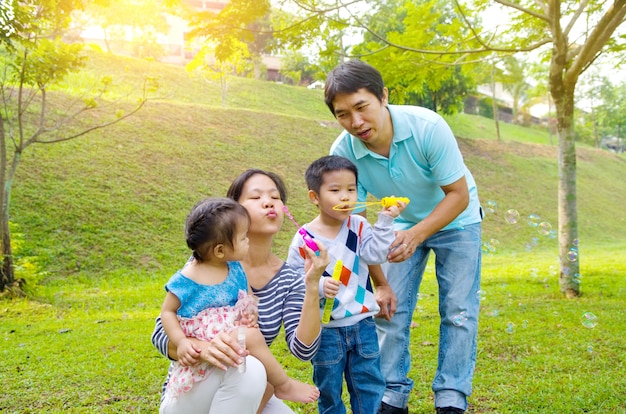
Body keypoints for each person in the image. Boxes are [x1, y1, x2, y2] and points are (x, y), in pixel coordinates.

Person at [326, 60, 483, 414]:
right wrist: (379, 283)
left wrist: (414, 234)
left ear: (383, 96)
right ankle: (392, 396)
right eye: (343, 114)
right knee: (389, 310)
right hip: (396, 226)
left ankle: (451, 398)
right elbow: (358, 228)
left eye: (362, 107)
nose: (356, 123)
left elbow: (458, 195)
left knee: (458, 310)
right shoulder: (344, 153)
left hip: (457, 219)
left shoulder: (428, 127)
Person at [152, 169, 330, 414]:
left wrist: (312, 286)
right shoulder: (208, 263)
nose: (268, 202)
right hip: (199, 387)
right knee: (252, 368)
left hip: (250, 392)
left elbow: (303, 349)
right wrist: (204, 348)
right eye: (256, 197)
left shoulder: (288, 277)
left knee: (251, 368)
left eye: (275, 197)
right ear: (232, 211)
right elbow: (160, 334)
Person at [286, 155, 406, 414]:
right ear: (314, 197)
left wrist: (385, 221)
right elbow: (295, 281)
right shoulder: (305, 238)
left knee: (369, 384)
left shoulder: (359, 226)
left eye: (351, 190)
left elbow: (376, 255)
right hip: (326, 329)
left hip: (362, 324)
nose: (345, 197)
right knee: (329, 390)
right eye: (335, 190)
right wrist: (317, 285)